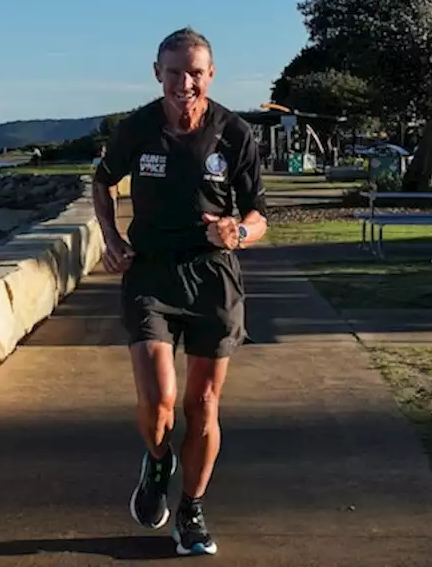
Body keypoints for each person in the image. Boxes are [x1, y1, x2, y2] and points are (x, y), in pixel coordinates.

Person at [91, 27, 268, 556]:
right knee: (159, 400)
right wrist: (111, 237)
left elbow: (260, 216)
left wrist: (238, 232)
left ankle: (190, 510)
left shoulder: (234, 133)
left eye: (194, 71)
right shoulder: (138, 128)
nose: (184, 82)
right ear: (157, 73)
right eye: (174, 71)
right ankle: (158, 460)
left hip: (214, 277)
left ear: (210, 74)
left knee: (205, 404)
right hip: (150, 274)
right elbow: (102, 181)